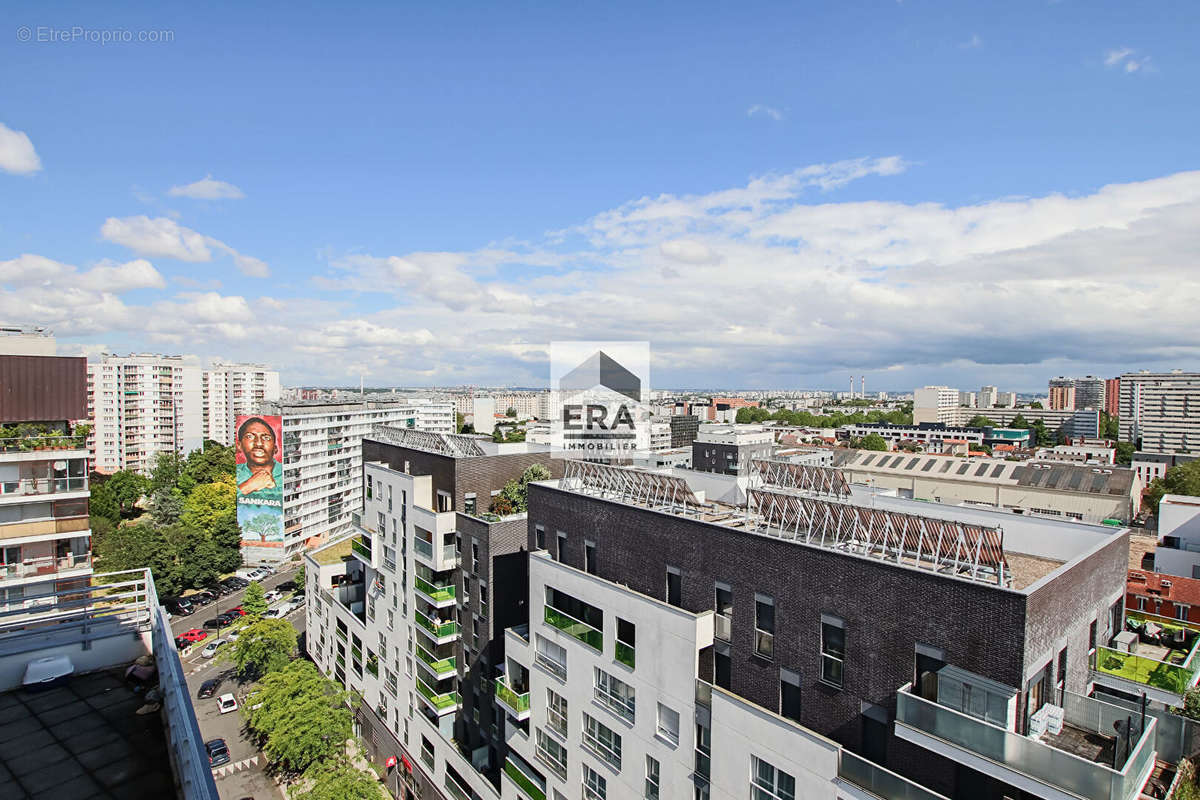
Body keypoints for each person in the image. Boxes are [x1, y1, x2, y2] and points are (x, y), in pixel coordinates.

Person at [236, 417, 283, 497]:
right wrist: (248, 486)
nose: (258, 443)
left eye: (266, 438)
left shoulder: (286, 472)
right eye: (250, 436)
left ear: (275, 448)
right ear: (239, 446)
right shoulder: (235, 472)